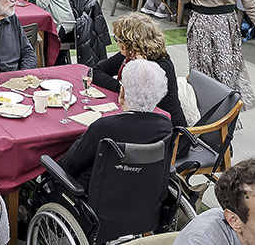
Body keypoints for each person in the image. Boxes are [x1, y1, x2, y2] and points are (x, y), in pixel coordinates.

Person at [58, 59, 174, 194]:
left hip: (93, 201)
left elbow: (67, 166)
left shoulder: (103, 128)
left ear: (122, 92)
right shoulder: (165, 127)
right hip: (144, 201)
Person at [92, 13, 186, 128]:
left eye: (117, 39)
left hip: (168, 130)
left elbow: (141, 107)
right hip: (146, 122)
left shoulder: (158, 67)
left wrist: (125, 90)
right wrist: (120, 87)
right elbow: (95, 71)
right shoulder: (130, 55)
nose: (117, 43)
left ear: (128, 43)